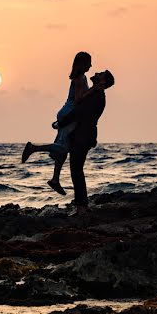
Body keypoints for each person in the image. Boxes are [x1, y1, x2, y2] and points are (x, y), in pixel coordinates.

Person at [21, 52, 93, 195]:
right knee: (62, 148)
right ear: (82, 63)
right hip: (69, 115)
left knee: (62, 150)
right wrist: (94, 90)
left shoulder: (80, 77)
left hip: (67, 114)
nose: (91, 65)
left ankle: (55, 180)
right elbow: (79, 99)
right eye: (89, 62)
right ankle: (32, 148)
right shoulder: (79, 78)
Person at [54, 69, 115, 215]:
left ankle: (81, 208)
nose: (97, 73)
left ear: (103, 81)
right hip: (84, 136)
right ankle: (82, 206)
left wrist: (62, 122)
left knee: (76, 171)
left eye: (101, 74)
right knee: (77, 171)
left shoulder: (97, 96)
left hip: (83, 136)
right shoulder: (96, 94)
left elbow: (80, 112)